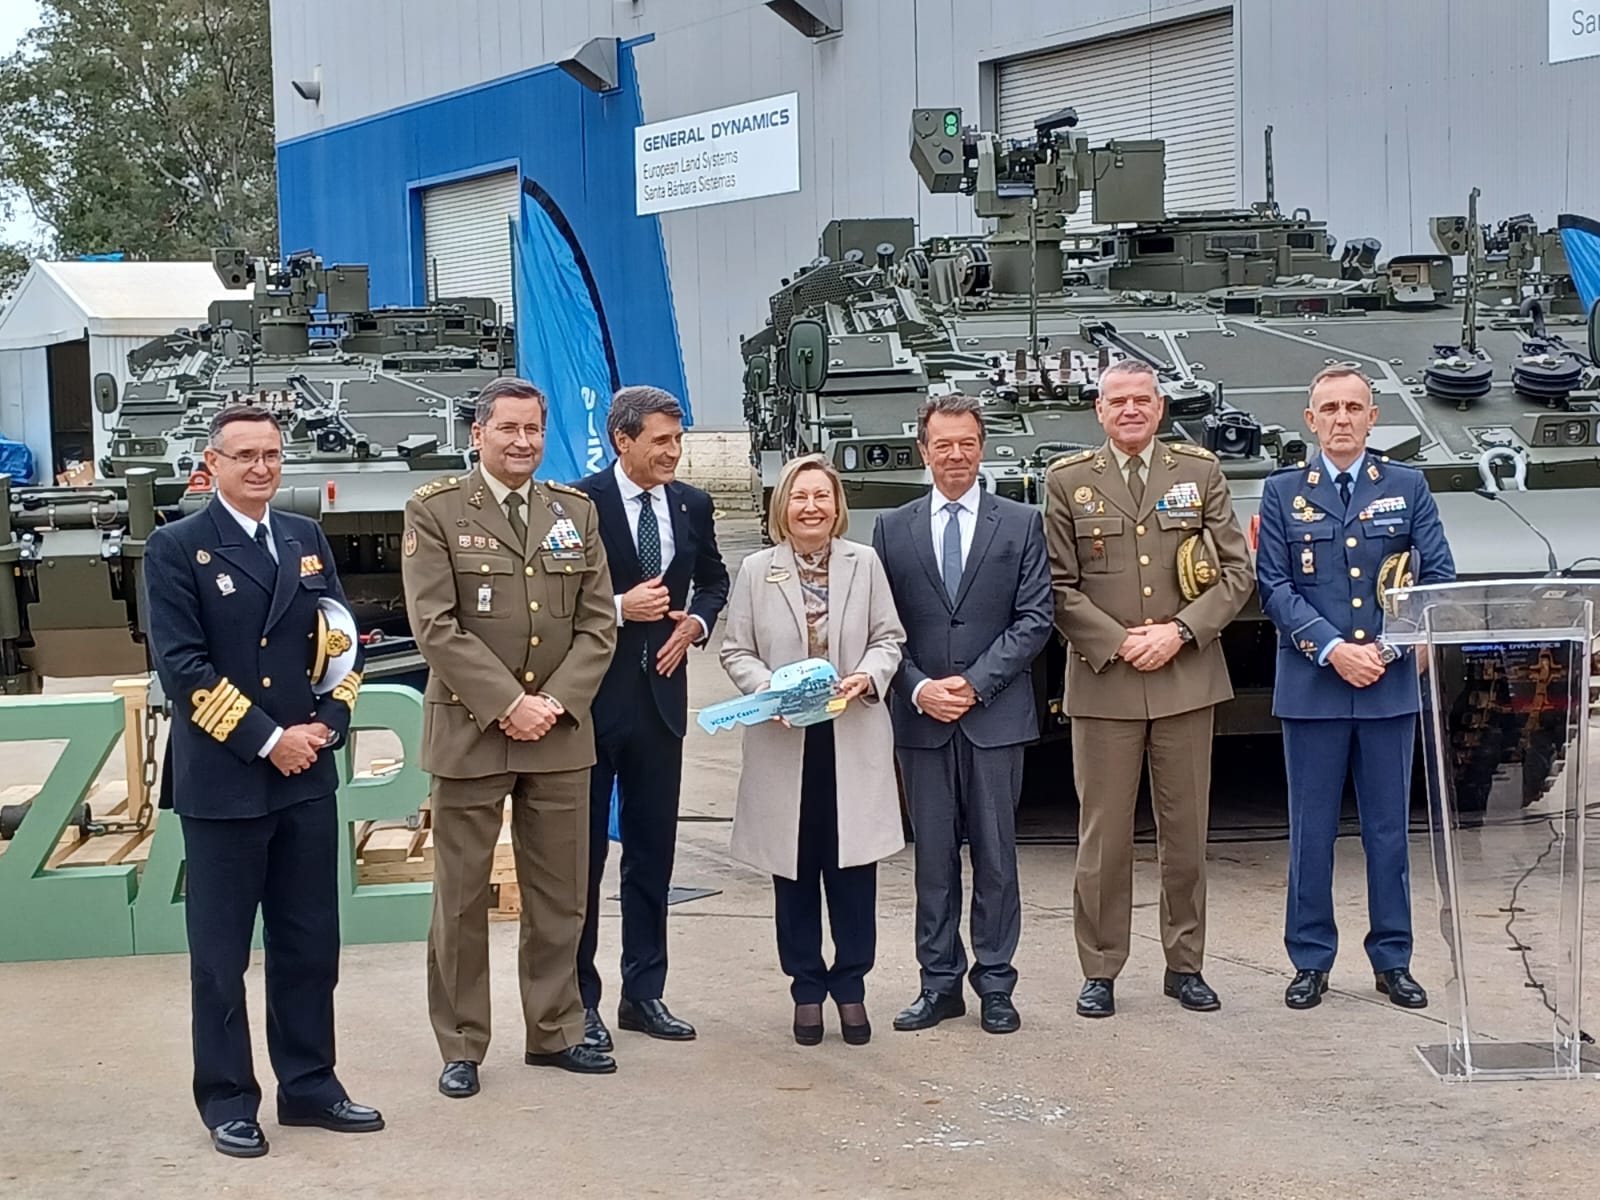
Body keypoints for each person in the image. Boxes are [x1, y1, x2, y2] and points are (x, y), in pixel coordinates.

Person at [143, 405, 383, 1158]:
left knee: (310, 943)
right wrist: (270, 739)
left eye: (272, 454)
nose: (260, 468)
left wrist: (326, 727)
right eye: (243, 455)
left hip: (306, 776)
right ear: (210, 464)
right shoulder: (177, 547)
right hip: (226, 783)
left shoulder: (306, 538)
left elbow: (344, 640)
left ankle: (310, 1084)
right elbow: (182, 668)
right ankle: (227, 1100)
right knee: (220, 957)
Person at [401, 377, 618, 1099]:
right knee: (461, 900)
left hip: (558, 733)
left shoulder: (573, 511)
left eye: (533, 429)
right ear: (478, 434)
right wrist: (507, 704)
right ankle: (461, 1044)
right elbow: (434, 626)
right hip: (471, 730)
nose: (522, 442)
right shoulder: (435, 512)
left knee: (561, 896)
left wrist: (553, 702)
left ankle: (556, 1030)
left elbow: (598, 623)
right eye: (508, 430)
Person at [1045, 359, 1253, 1019]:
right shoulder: (1068, 481)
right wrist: (1116, 641)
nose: (1130, 410)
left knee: (1185, 834)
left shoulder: (1199, 472)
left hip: (1184, 678)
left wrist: (1181, 633)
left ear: (1160, 407)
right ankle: (1101, 968)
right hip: (1105, 682)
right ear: (1099, 411)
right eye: (1118, 401)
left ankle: (1184, 964)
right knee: (1103, 839)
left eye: (1142, 400)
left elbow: (1234, 574)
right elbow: (1056, 584)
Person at [1256, 365, 1455, 1011]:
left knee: (1388, 834)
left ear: (1373, 418)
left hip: (1387, 686)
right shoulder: (1284, 492)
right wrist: (1335, 649)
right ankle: (1310, 961)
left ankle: (1392, 959)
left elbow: (1437, 576)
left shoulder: (1407, 485)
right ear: (1310, 421)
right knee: (1310, 832)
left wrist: (1390, 649)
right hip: (1314, 686)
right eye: (1329, 409)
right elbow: (1275, 587)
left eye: (1354, 407)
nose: (1342, 418)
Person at [871, 394, 1053, 1035]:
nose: (955, 455)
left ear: (983, 447)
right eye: (942, 444)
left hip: (995, 718)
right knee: (933, 861)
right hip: (921, 719)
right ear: (924, 451)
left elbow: (1035, 620)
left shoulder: (1022, 523)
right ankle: (938, 984)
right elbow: (881, 626)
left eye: (966, 443)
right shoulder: (893, 530)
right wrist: (918, 687)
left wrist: (973, 686)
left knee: (998, 860)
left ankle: (997, 985)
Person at [720, 455, 906, 1045]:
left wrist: (868, 678)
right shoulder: (755, 569)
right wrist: (765, 690)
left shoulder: (866, 564)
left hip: (850, 736)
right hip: (784, 739)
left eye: (821, 497)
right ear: (783, 508)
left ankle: (851, 987)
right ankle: (805, 989)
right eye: (799, 497)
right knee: (794, 873)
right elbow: (735, 650)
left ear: (837, 506)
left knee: (853, 871)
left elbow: (889, 638)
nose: (810, 507)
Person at [571, 386, 729, 1050]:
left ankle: (645, 993)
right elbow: (556, 596)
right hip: (589, 705)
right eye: (661, 440)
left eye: (677, 440)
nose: (674, 452)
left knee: (651, 856)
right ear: (623, 440)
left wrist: (697, 621)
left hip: (661, 706)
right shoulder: (578, 504)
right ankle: (579, 1001)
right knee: (580, 863)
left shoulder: (692, 504)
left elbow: (717, 578)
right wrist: (615, 607)